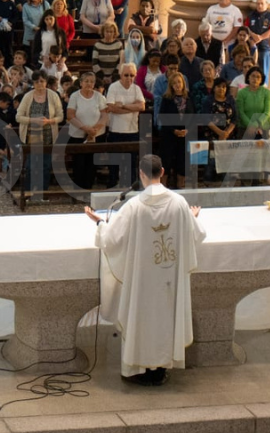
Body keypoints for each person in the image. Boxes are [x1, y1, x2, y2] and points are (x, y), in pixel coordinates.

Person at [85, 155, 205, 386]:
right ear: (162, 172)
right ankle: (161, 368)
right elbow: (195, 233)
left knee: (142, 319)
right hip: (169, 278)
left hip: (142, 282)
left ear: (141, 174)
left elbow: (112, 239)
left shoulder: (134, 206)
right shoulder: (180, 203)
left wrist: (100, 223)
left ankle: (142, 368)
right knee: (165, 319)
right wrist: (193, 217)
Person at [16, 72, 64, 202]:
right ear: (33, 83)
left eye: (42, 81)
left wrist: (49, 121)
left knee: (46, 165)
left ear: (46, 82)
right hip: (31, 136)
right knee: (31, 165)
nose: (39, 84)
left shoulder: (53, 96)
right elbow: (18, 116)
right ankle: (28, 194)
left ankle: (43, 193)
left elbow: (60, 116)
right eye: (36, 82)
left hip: (48, 135)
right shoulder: (28, 96)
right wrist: (33, 120)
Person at [64, 72, 109, 192]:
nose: (89, 84)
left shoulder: (99, 97)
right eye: (86, 81)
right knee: (79, 162)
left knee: (92, 162)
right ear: (81, 83)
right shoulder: (75, 96)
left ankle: (89, 188)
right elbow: (70, 115)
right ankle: (78, 188)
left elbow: (104, 115)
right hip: (78, 134)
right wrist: (85, 128)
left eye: (92, 81)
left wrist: (95, 129)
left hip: (95, 134)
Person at [105, 63, 147, 189]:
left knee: (132, 161)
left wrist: (123, 105)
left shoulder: (136, 89)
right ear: (120, 75)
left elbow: (142, 107)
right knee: (114, 162)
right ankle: (112, 185)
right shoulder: (114, 87)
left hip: (132, 130)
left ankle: (131, 186)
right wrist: (132, 107)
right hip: (115, 130)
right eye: (126, 75)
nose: (129, 78)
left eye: (132, 75)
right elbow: (111, 107)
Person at [236, 67, 270, 140]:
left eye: (258, 77)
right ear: (248, 77)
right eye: (253, 76)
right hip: (245, 129)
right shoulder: (241, 93)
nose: (255, 79)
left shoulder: (267, 93)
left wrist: (256, 125)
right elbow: (241, 112)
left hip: (262, 129)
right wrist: (250, 126)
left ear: (261, 79)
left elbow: (267, 112)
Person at [246, 0, 270, 85]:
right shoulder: (251, 15)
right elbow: (246, 27)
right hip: (252, 46)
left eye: (262, 3)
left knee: (263, 71)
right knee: (251, 69)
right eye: (258, 3)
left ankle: (263, 88)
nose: (259, 5)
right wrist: (253, 36)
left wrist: (261, 38)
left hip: (265, 47)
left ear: (266, 5)